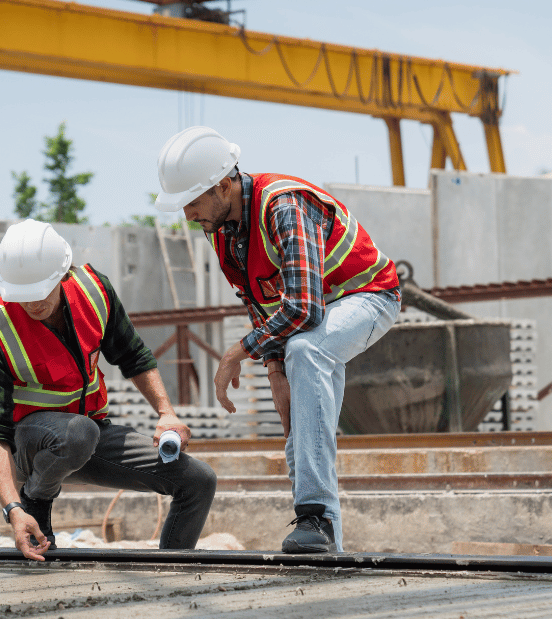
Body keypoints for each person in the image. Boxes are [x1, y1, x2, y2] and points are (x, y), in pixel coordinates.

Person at [154, 126, 401, 553]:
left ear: (223, 185)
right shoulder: (222, 230)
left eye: (192, 202)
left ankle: (314, 516)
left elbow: (304, 308)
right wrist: (274, 370)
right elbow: (259, 299)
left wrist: (238, 352)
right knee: (299, 417)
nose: (188, 214)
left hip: (367, 296)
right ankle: (324, 545)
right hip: (315, 315)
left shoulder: (282, 205)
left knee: (308, 348)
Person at [0, 219, 217, 561]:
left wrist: (166, 413)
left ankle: (171, 569)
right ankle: (36, 503)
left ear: (63, 274)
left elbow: (133, 356)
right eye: (24, 296)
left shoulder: (94, 291)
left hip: (87, 436)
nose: (33, 304)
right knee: (78, 432)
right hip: (28, 449)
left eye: (42, 291)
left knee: (199, 481)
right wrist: (14, 508)